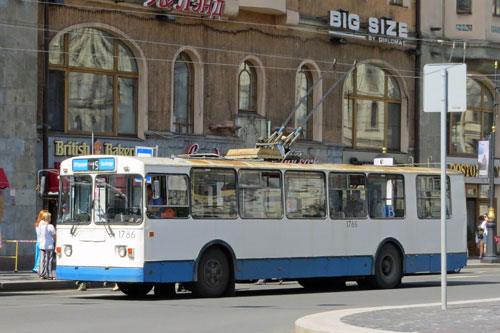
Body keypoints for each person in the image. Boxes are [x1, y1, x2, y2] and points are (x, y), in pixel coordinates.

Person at [39, 212, 56, 280]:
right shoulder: (50, 226)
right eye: (50, 217)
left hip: (42, 245)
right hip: (49, 246)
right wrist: (55, 240)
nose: (50, 219)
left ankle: (42, 274)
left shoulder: (41, 226)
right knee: (49, 260)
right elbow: (54, 236)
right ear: (48, 218)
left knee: (42, 260)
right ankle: (49, 274)